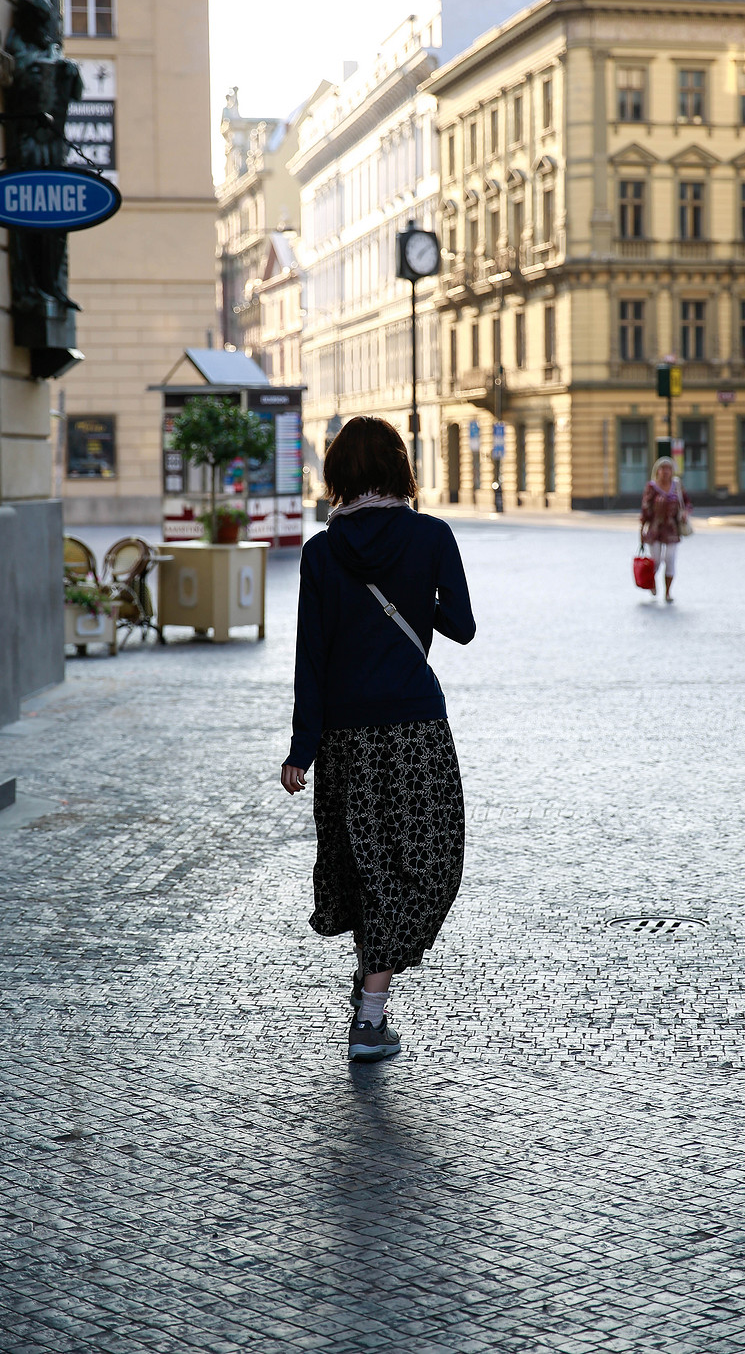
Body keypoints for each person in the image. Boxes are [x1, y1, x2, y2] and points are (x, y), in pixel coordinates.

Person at [281, 415, 476, 1063]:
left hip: (344, 735)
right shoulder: (432, 536)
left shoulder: (320, 551)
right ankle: (370, 1015)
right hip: (416, 728)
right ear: (400, 467)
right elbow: (463, 627)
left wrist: (300, 749)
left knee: (363, 860)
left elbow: (312, 656)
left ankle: (370, 990)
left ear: (337, 474)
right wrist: (417, 596)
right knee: (426, 858)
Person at [639, 456, 690, 604]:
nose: (666, 472)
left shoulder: (677, 486)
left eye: (668, 469)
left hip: (672, 529)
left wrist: (685, 513)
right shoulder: (652, 487)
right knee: (656, 561)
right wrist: (642, 530)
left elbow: (687, 502)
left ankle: (668, 592)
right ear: (657, 471)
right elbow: (645, 509)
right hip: (655, 528)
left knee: (670, 559)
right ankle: (652, 583)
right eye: (663, 469)